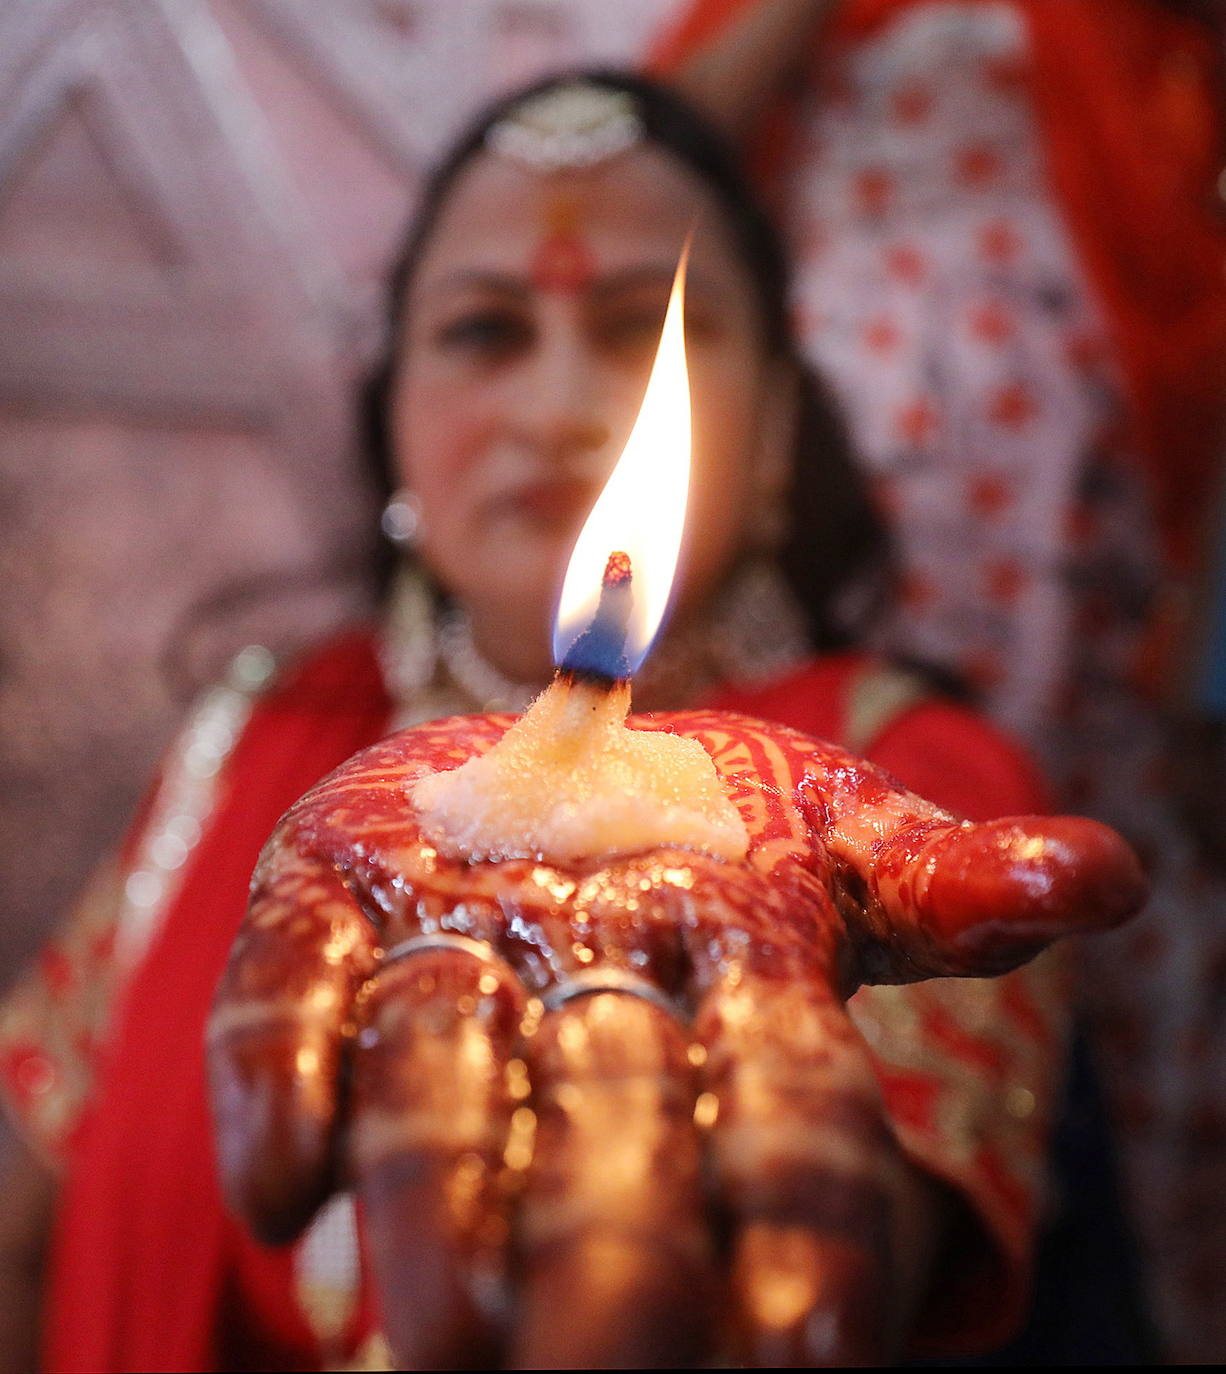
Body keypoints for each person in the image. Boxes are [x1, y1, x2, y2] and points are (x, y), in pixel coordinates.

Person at [0, 71, 1121, 1371]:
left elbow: (841, 1237)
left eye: (642, 324)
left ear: (767, 440)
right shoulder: (264, 735)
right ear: (394, 427)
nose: (555, 407)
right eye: (484, 332)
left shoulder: (897, 784)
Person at [651, 1, 1226, 1359]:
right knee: (845, 883)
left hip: (1085, 537)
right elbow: (663, 155)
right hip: (853, 533)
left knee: (1085, 905)